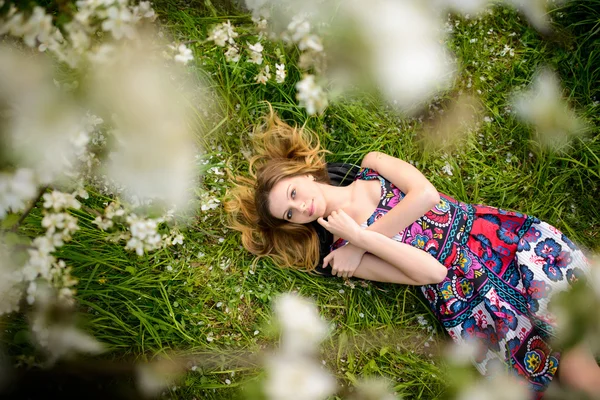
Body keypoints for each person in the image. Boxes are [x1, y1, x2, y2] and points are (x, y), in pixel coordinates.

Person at [225, 109, 600, 398]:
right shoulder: (340, 254)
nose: (300, 208)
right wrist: (358, 242)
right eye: (289, 215)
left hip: (495, 240)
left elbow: (427, 197)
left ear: (302, 174)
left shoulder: (371, 168)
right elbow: (431, 274)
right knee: (568, 368)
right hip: (468, 295)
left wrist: (359, 237)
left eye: (292, 194)